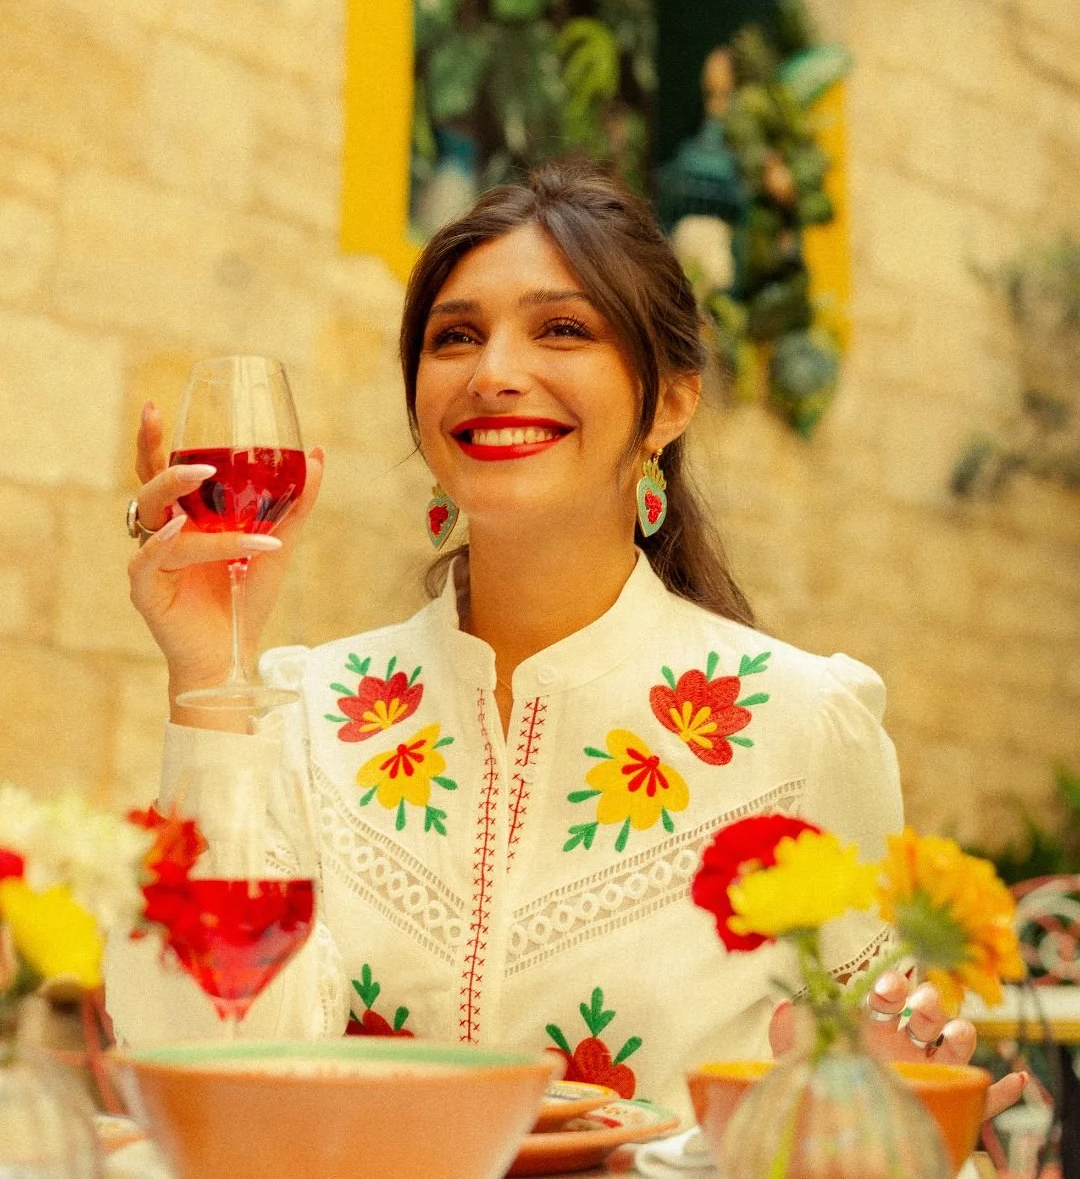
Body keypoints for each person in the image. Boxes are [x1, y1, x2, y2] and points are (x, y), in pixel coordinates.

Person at [108, 161, 1022, 1119]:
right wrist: (213, 679)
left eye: (563, 329)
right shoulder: (299, 714)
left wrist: (894, 1100)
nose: (495, 373)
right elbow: (197, 1081)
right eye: (454, 337)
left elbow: (861, 1114)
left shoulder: (801, 727)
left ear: (670, 401)